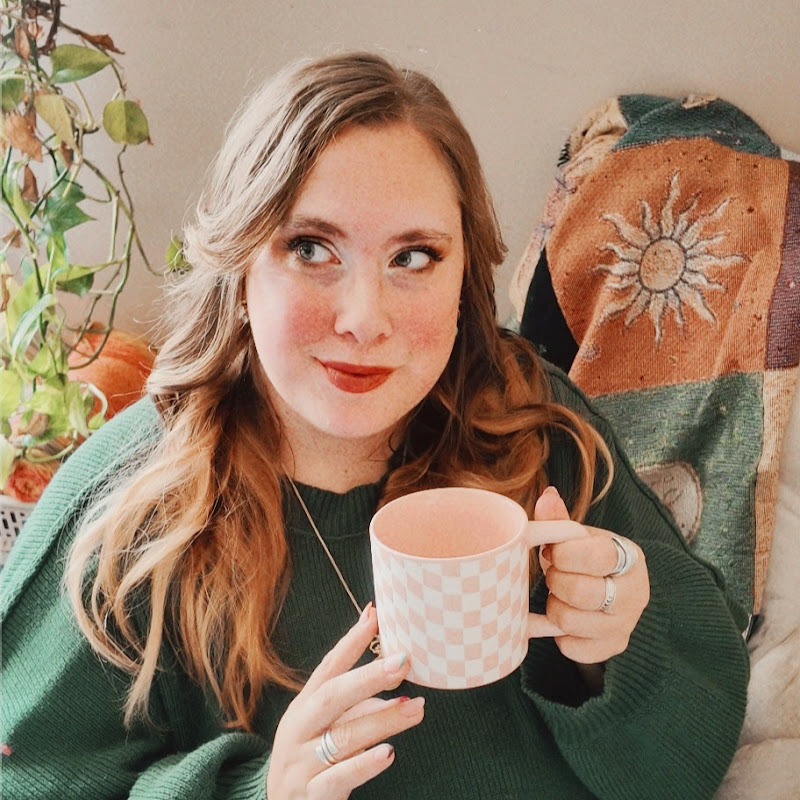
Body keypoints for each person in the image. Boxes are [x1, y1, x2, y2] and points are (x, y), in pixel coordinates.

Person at [0, 52, 749, 800]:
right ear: (240, 262)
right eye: (310, 249)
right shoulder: (125, 512)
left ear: (464, 273)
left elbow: (698, 739)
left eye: (413, 257)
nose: (364, 320)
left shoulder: (535, 423)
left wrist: (616, 649)